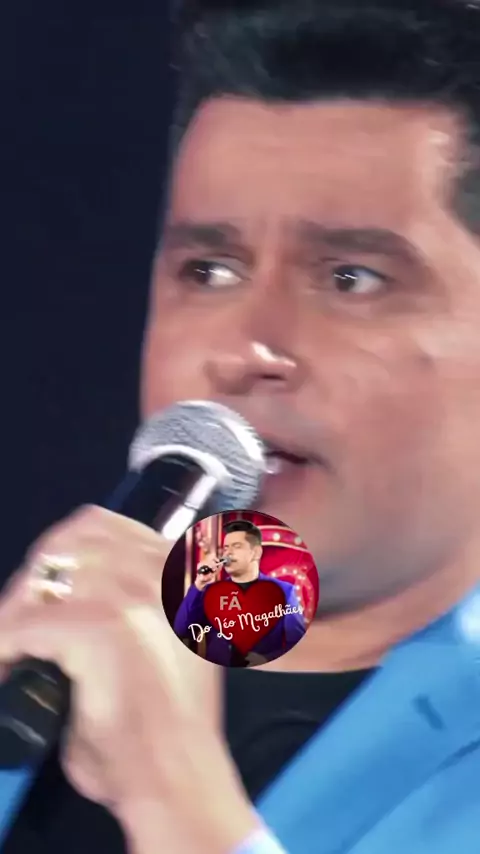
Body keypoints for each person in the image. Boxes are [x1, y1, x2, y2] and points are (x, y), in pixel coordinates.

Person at [3, 0, 480, 852]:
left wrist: (175, 800)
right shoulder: (33, 677)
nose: (245, 350)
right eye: (209, 270)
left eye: (351, 278)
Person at [174, 520, 306, 666]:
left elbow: (297, 645)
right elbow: (181, 628)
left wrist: (268, 660)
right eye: (225, 548)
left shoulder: (285, 592)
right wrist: (200, 583)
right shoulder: (211, 592)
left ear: (256, 553)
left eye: (236, 546)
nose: (228, 553)